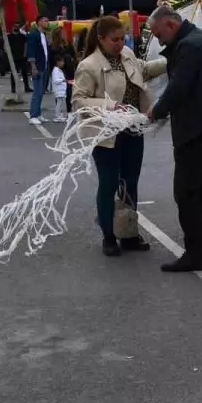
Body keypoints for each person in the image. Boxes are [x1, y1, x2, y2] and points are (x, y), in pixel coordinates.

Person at [144, 7, 202, 273]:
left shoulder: (188, 47)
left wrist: (155, 112)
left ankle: (195, 254)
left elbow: (179, 88)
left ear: (170, 24)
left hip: (196, 131)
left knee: (186, 193)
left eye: (158, 34)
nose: (158, 40)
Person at [73, 15, 168, 256]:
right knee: (109, 184)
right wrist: (109, 106)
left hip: (132, 131)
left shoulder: (126, 54)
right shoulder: (89, 65)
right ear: (101, 39)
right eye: (114, 39)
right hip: (106, 135)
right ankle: (108, 236)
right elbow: (79, 100)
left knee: (130, 183)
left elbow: (142, 70)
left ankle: (128, 234)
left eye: (122, 38)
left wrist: (169, 61)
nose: (119, 43)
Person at [26, 16, 51, 124]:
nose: (47, 23)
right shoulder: (33, 34)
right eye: (45, 21)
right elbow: (31, 51)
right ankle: (33, 116)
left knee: (41, 92)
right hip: (37, 67)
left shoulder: (43, 35)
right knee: (37, 92)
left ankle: (38, 113)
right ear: (39, 22)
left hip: (44, 66)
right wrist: (33, 66)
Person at [50, 56, 68, 122]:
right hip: (58, 89)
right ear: (58, 62)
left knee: (60, 103)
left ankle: (59, 115)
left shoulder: (58, 70)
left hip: (61, 90)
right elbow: (55, 80)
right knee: (59, 103)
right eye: (62, 61)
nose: (63, 63)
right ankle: (57, 116)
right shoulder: (55, 70)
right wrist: (63, 80)